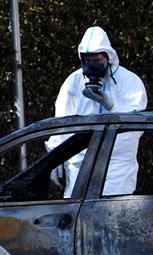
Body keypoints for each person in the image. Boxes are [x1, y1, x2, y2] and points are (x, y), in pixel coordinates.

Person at [46, 26, 147, 197]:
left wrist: (111, 105)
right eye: (88, 60)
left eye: (97, 60)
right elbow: (61, 123)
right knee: (77, 218)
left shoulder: (129, 81)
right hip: (79, 168)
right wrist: (54, 157)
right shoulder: (73, 82)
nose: (92, 65)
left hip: (117, 169)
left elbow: (137, 123)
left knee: (112, 216)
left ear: (108, 56)